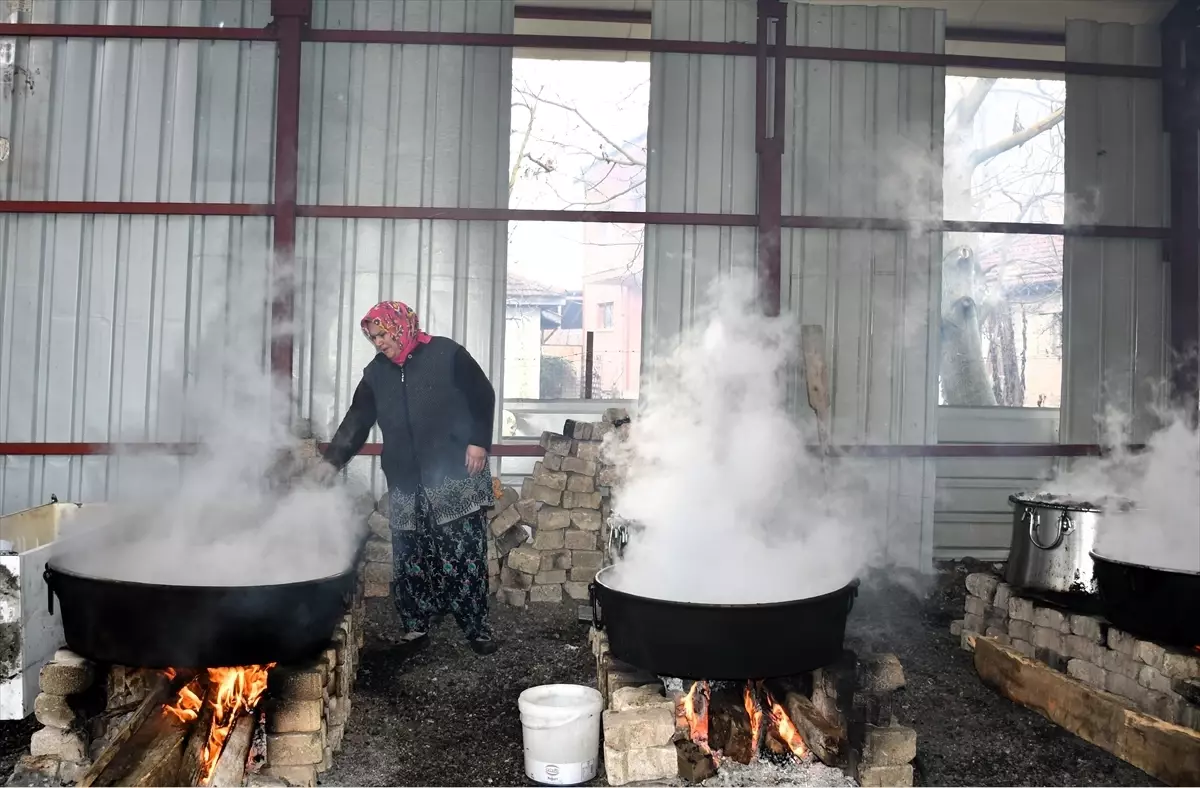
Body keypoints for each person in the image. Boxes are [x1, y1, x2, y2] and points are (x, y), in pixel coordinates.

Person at [314, 301, 499, 656]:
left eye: (382, 334)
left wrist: (478, 441)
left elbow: (482, 394)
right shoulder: (377, 373)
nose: (379, 342)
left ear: (401, 326)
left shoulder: (446, 354)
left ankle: (476, 628)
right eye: (373, 337)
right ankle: (416, 626)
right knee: (410, 555)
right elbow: (357, 419)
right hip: (405, 476)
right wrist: (332, 461)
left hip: (454, 471)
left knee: (463, 554)